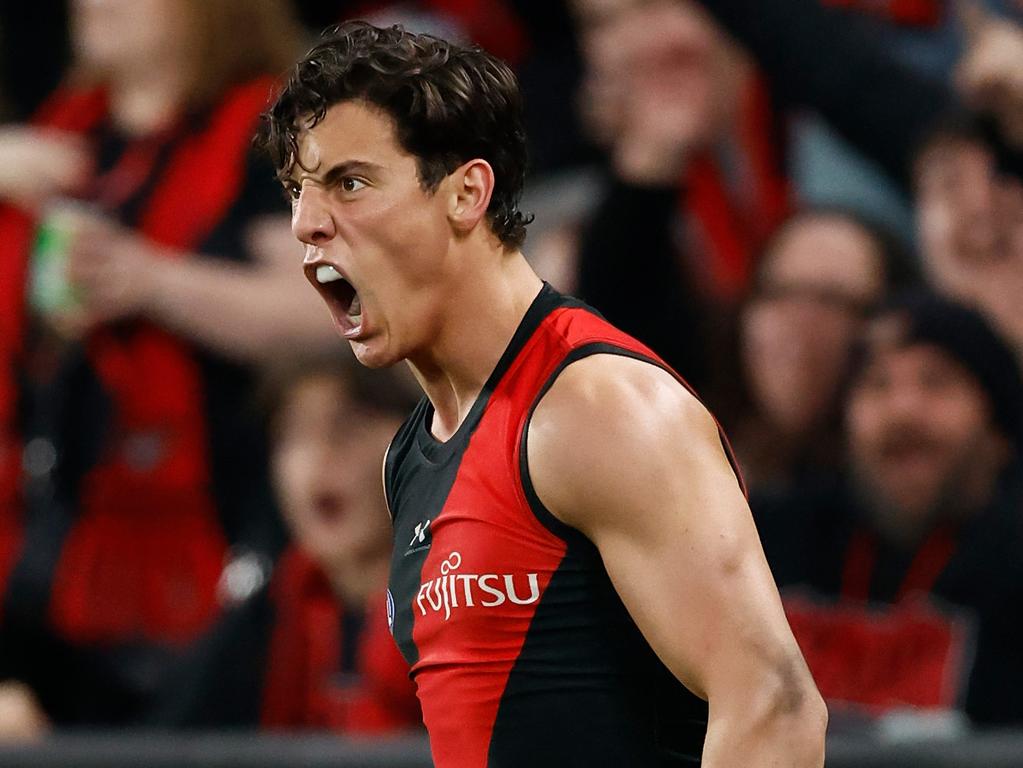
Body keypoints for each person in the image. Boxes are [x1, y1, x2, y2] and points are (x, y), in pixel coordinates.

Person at [263, 21, 827, 767]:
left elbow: (773, 708)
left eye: (350, 183)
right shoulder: (413, 451)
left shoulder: (598, 407)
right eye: (299, 192)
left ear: (466, 192)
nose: (307, 224)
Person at [0, 0, 337, 729]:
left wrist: (151, 282)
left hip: (226, 547)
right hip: (52, 553)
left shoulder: (273, 133)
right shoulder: (62, 136)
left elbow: (337, 311)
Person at [756, 292, 1023, 724]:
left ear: (999, 434)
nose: (902, 410)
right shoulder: (772, 541)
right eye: (877, 384)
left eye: (936, 382)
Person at [151, 355, 422, 733]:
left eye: (347, 429)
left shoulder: (462, 597)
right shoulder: (273, 610)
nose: (317, 458)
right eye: (292, 435)